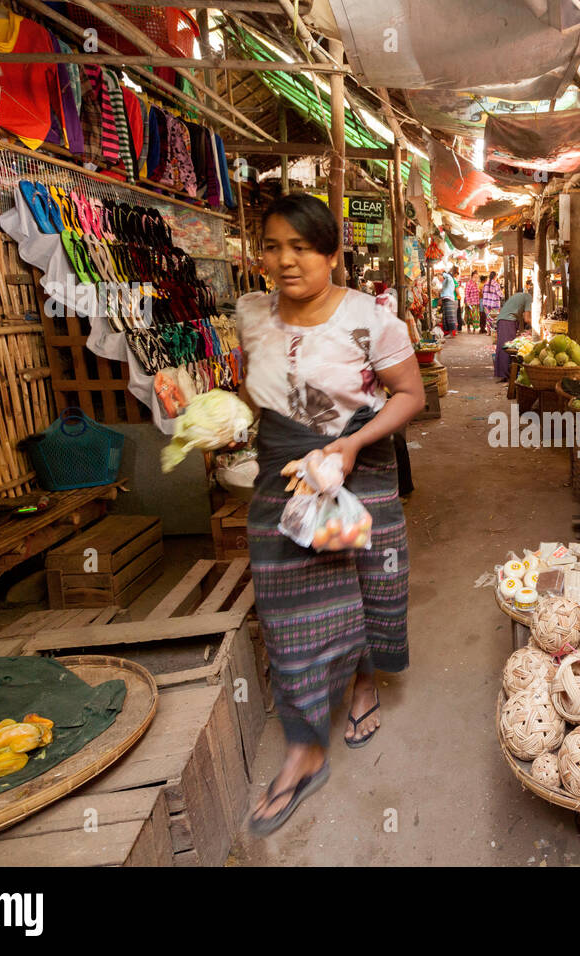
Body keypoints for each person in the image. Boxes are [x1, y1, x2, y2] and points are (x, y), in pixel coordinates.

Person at [235, 193, 424, 835]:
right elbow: (256, 395)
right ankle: (304, 747)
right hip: (280, 481)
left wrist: (350, 445)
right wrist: (226, 425)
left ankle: (364, 685)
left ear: (332, 253)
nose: (285, 260)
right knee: (288, 611)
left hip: (357, 470)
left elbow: (409, 394)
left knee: (370, 589)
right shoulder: (251, 315)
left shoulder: (372, 319)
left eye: (302, 247)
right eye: (272, 245)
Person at [493, 290, 532, 381]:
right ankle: (506, 375)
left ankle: (504, 374)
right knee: (506, 348)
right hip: (507, 320)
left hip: (503, 319)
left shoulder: (520, 295)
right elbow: (527, 318)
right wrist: (537, 327)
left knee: (503, 347)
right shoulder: (529, 298)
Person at [439, 266, 459, 335]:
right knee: (446, 316)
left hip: (448, 299)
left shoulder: (449, 278)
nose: (439, 278)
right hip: (446, 299)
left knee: (449, 317)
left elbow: (446, 276)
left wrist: (443, 273)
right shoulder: (446, 280)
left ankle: (451, 333)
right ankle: (449, 332)